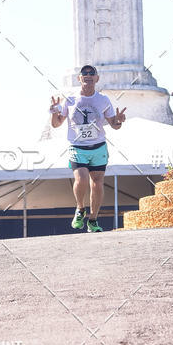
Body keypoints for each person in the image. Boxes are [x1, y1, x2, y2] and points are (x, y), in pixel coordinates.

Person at [49, 65, 126, 232]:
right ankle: (80, 208)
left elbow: (114, 124)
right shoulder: (69, 99)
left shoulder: (103, 100)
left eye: (92, 73)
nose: (88, 76)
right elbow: (56, 124)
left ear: (97, 78)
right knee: (82, 179)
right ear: (79, 78)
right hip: (77, 147)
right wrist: (53, 112)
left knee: (97, 184)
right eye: (85, 73)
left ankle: (93, 219)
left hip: (98, 147)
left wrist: (119, 120)